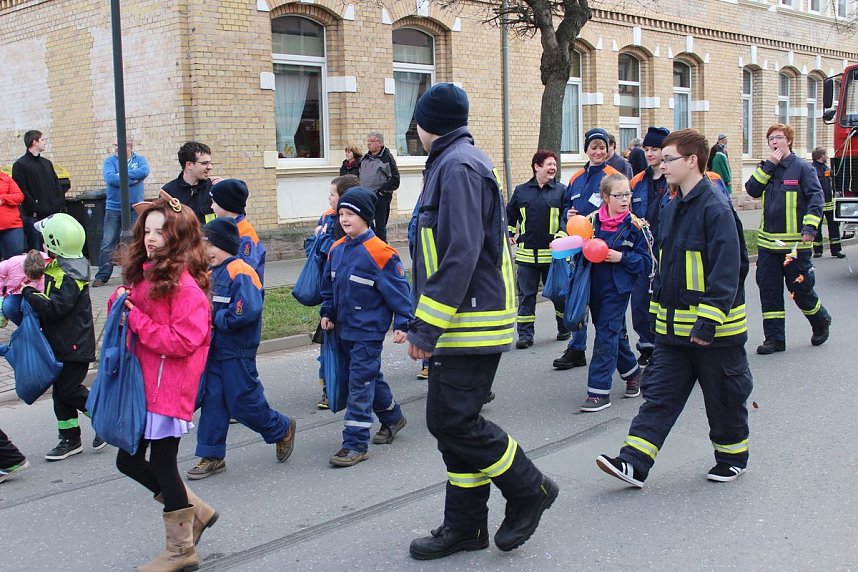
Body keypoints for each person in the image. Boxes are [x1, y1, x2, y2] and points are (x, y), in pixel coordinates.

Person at [407, 83, 557, 560]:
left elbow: (462, 251)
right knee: (456, 423)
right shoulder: (455, 162)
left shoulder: (457, 166)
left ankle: (529, 488)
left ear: (426, 123)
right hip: (462, 317)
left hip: (468, 320)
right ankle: (466, 526)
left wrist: (425, 326)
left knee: (450, 421)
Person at [596, 128, 753, 488]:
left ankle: (732, 458)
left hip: (714, 334)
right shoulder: (671, 205)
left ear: (692, 161)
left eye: (669, 159)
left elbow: (728, 271)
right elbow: (665, 266)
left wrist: (708, 321)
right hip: (671, 332)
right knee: (658, 398)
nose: (661, 165)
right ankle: (633, 463)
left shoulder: (715, 208)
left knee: (724, 400)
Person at [112, 193, 214, 571]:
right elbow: (138, 309)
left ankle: (181, 549)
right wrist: (122, 303)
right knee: (129, 460)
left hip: (168, 389)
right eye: (147, 230)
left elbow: (183, 341)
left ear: (179, 236)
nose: (151, 237)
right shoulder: (151, 271)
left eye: (161, 231)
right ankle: (194, 510)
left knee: (162, 464)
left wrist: (134, 318)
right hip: (147, 386)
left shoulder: (186, 287)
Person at [188, 218, 297, 480]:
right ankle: (212, 455)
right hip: (215, 349)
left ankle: (281, 428)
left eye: (208, 245)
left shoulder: (241, 271)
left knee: (243, 402)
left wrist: (217, 318)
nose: (203, 252)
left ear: (223, 245)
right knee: (213, 401)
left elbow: (246, 310)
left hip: (237, 351)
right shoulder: (212, 272)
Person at [319, 187, 411, 467]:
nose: (344, 219)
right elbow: (329, 287)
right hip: (343, 330)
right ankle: (393, 418)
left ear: (366, 218)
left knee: (359, 382)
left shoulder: (381, 253)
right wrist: (327, 311)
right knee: (368, 375)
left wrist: (403, 322)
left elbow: (399, 292)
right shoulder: (336, 249)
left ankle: (355, 443)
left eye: (351, 214)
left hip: (368, 332)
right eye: (341, 214)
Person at [745, 124, 831, 355]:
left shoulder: (802, 168)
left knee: (801, 290)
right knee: (769, 292)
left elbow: (816, 199)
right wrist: (769, 165)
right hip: (767, 246)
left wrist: (810, 227)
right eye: (771, 138)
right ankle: (774, 339)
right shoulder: (767, 167)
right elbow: (752, 189)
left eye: (779, 138)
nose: (775, 142)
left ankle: (821, 320)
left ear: (789, 141)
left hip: (794, 246)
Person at [21, 214, 100, 460]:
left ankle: (103, 416)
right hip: (63, 343)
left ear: (54, 242)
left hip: (74, 345)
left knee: (69, 390)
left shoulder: (69, 275)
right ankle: (69, 438)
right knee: (61, 392)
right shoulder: (61, 267)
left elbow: (56, 307)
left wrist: (29, 294)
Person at [552, 128, 625, 371]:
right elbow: (566, 208)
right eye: (593, 147)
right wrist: (568, 215)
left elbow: (623, 209)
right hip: (578, 250)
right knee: (578, 297)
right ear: (586, 150)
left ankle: (618, 351)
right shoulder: (575, 178)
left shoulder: (614, 175)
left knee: (607, 304)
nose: (598, 151)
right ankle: (577, 348)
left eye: (602, 147)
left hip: (604, 248)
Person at [579, 174, 648, 412]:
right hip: (594, 285)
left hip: (618, 288)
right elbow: (576, 243)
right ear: (606, 197)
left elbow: (647, 263)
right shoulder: (592, 221)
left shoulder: (635, 225)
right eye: (619, 195)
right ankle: (632, 373)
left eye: (628, 194)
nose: (625, 199)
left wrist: (621, 257)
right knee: (612, 332)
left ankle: (598, 393)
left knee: (606, 335)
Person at [507, 150, 569, 349]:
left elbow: (566, 217)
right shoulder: (521, 191)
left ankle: (564, 326)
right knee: (526, 296)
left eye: (554, 164)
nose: (553, 168)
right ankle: (525, 335)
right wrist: (509, 233)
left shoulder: (561, 191)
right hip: (526, 257)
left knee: (558, 295)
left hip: (553, 257)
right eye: (549, 164)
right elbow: (510, 215)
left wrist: (562, 234)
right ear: (536, 167)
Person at [313, 174, 358, 409]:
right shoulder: (327, 218)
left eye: (333, 194)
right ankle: (328, 387)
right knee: (328, 342)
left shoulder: (351, 226)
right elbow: (314, 250)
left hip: (349, 303)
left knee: (357, 362)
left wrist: (322, 238)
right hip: (329, 293)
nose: (329, 198)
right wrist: (316, 237)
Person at [629, 127, 670, 366]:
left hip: (666, 251)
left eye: (654, 149)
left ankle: (665, 350)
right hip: (643, 252)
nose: (650, 153)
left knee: (663, 302)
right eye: (647, 149)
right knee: (640, 303)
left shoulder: (673, 178)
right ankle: (647, 346)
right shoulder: (638, 181)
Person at [92, 138, 150, 287]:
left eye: (120, 145)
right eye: (115, 145)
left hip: (134, 206)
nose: (117, 148)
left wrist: (122, 177)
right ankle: (102, 276)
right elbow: (110, 178)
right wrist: (133, 179)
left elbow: (144, 171)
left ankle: (132, 274)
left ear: (129, 147)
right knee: (108, 242)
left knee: (134, 241)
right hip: (114, 207)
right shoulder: (110, 161)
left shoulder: (140, 160)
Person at [12, 130, 64, 251]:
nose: (45, 142)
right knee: (37, 250)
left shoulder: (46, 163)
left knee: (55, 248)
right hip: (33, 217)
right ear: (34, 142)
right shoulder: (20, 165)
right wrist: (36, 207)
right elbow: (22, 190)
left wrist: (59, 202)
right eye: (43, 140)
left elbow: (57, 184)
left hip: (52, 214)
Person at [209, 179, 267, 284]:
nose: (211, 207)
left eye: (214, 202)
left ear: (226, 204)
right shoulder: (230, 229)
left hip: (242, 293)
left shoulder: (245, 234)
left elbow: (244, 272)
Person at [161, 141, 221, 226]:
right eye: (204, 163)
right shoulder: (168, 192)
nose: (210, 167)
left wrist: (228, 189)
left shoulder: (214, 188)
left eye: (209, 163)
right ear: (189, 165)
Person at [358, 131, 400, 242]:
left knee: (380, 228)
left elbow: (395, 180)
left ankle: (382, 252)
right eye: (368, 141)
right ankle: (369, 248)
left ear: (380, 143)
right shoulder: (365, 158)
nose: (368, 143)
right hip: (365, 198)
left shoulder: (386, 158)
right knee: (366, 224)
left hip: (380, 199)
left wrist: (382, 192)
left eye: (371, 141)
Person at [810, 147, 844, 259]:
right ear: (821, 156)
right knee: (816, 228)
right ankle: (818, 251)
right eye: (825, 154)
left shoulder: (827, 168)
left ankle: (836, 250)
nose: (827, 156)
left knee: (834, 227)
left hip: (829, 203)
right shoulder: (812, 169)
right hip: (817, 205)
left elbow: (832, 183)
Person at [0, 249, 49, 327]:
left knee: (33, 308)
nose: (33, 280)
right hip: (16, 294)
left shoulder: (48, 264)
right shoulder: (13, 263)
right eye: (30, 277)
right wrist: (1, 296)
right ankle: (25, 329)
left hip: (37, 294)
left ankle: (37, 328)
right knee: (8, 307)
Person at [0, 171, 25, 260]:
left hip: (12, 227)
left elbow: (19, 196)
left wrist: (3, 199)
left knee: (15, 260)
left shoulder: (5, 178)